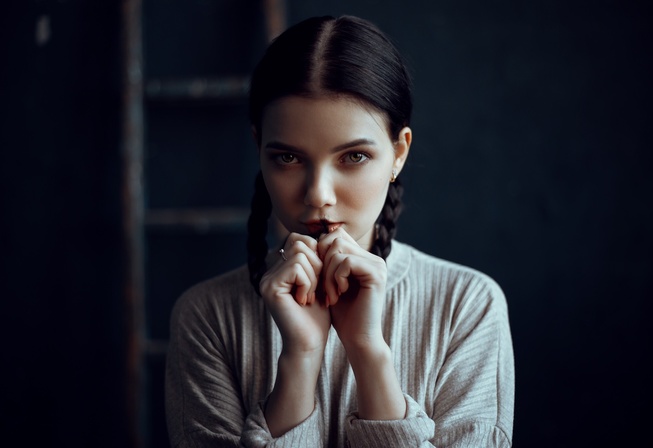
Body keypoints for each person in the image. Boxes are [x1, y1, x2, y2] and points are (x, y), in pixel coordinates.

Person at [165, 15, 514, 447]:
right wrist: (299, 360)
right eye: (288, 158)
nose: (318, 194)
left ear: (399, 152)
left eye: (353, 157)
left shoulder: (467, 306)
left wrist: (368, 352)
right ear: (259, 148)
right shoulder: (207, 317)